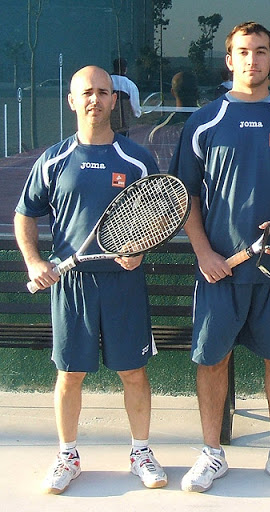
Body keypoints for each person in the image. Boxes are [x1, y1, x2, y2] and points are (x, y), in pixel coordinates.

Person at [169, 21, 270, 494]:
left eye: (261, 52)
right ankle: (212, 454)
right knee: (211, 361)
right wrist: (204, 254)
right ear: (229, 59)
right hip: (219, 274)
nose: (252, 60)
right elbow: (184, 196)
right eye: (243, 51)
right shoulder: (204, 122)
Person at [14, 65, 167, 495]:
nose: (95, 100)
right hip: (71, 288)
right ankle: (67, 456)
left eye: (103, 92)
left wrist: (141, 247)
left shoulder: (138, 160)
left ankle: (141, 452)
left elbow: (161, 211)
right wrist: (33, 261)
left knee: (133, 372)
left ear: (114, 100)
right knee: (70, 374)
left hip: (123, 285)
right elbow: (25, 214)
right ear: (72, 101)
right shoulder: (54, 159)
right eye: (87, 93)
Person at [110, 57, 142, 136]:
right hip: (122, 127)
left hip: (106, 125)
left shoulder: (105, 81)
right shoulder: (130, 85)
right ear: (125, 69)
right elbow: (135, 108)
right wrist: (138, 113)